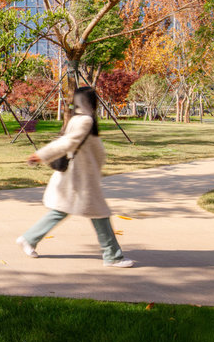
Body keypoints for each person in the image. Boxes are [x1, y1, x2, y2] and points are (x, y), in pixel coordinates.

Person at [17, 86, 135, 267]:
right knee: (100, 214)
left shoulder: (77, 119)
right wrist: (41, 155)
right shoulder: (85, 120)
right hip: (81, 178)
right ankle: (112, 256)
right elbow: (67, 142)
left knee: (64, 211)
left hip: (78, 177)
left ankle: (29, 239)